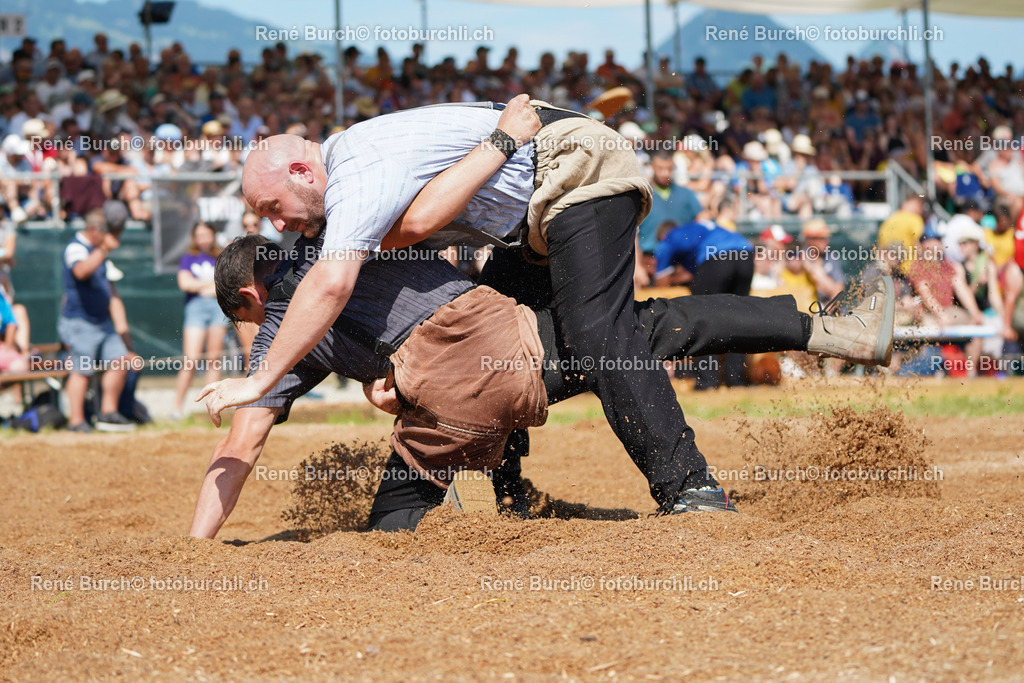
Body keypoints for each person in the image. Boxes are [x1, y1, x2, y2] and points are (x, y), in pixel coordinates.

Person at [199, 96, 892, 516]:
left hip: (571, 168)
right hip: (525, 216)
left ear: (300, 171)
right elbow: (417, 242)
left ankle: (692, 489)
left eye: (272, 209)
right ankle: (514, 496)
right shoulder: (351, 181)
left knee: (602, 334)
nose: (278, 223)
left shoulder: (353, 172)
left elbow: (337, 280)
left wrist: (257, 378)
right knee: (526, 335)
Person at [189, 230, 894, 538]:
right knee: (656, 326)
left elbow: (245, 440)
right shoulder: (352, 242)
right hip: (509, 350)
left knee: (393, 527)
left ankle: (495, 501)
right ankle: (831, 333)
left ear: (250, 293)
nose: (255, 332)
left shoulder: (283, 319)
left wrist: (193, 547)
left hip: (449, 418)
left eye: (243, 316)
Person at [57, 206, 136, 432]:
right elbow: (80, 272)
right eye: (104, 232)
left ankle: (108, 414)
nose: (108, 236)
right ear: (93, 230)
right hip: (79, 322)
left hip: (102, 323)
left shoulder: (95, 249)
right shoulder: (76, 247)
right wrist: (102, 250)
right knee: (82, 371)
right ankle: (76, 421)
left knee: (121, 361)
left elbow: (111, 292)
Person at [652, 218, 755, 389]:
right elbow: (700, 275)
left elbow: (660, 281)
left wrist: (671, 279)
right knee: (739, 317)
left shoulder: (669, 237)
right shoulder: (697, 232)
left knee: (700, 317)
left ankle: (707, 381)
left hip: (717, 257)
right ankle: (736, 380)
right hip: (745, 255)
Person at [172, 222, 229, 418]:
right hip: (195, 309)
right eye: (199, 235)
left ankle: (212, 410)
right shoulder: (188, 257)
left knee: (214, 359)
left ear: (213, 235)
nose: (203, 239)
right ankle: (176, 409)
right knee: (190, 360)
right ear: (194, 237)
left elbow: (224, 286)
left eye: (207, 234)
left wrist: (201, 286)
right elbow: (184, 283)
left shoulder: (221, 256)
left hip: (217, 308)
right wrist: (210, 286)